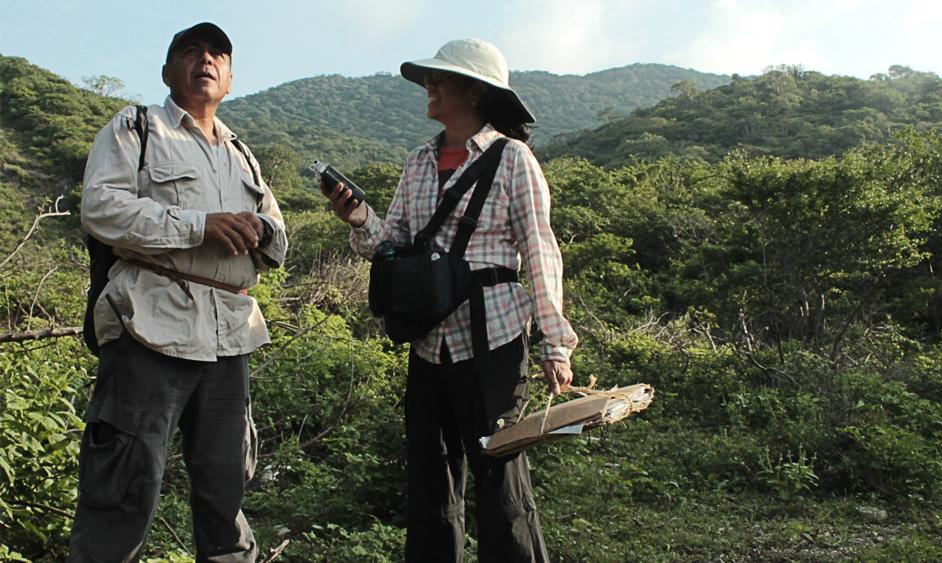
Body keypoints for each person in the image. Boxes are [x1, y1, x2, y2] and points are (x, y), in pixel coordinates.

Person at [323, 38, 577, 562]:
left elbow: (540, 250)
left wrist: (556, 342)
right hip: (428, 344)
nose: (430, 86)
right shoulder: (418, 162)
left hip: (494, 340)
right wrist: (357, 219)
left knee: (501, 485)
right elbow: (391, 243)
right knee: (430, 487)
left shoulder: (513, 159)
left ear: (476, 92)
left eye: (442, 78)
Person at [70, 22, 286, 562]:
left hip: (230, 338)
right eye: (191, 52)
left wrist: (260, 232)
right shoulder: (136, 128)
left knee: (225, 491)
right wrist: (199, 225)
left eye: (217, 54)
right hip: (149, 327)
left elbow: (279, 237)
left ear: (231, 79)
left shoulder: (243, 154)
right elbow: (100, 208)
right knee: (122, 487)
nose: (205, 60)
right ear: (168, 71)